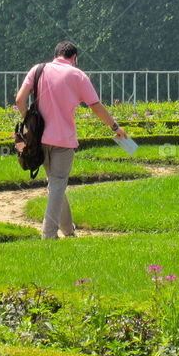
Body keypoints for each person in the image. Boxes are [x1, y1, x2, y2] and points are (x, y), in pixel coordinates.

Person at [16, 41, 125, 240]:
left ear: (55, 54)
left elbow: (19, 100)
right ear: (74, 58)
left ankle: (68, 229)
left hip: (39, 140)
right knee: (57, 185)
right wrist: (115, 127)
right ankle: (48, 234)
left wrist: (29, 125)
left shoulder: (38, 69)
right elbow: (96, 106)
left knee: (56, 185)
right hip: (64, 140)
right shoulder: (77, 75)